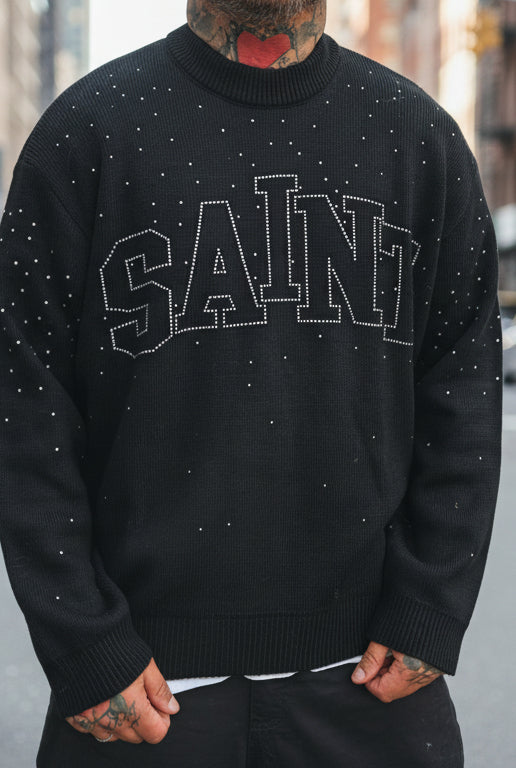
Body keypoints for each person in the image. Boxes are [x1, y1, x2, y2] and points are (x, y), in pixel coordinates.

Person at [0, 0, 503, 765]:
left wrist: (430, 610)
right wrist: (83, 645)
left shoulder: (420, 137)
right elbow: (24, 409)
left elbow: (463, 393)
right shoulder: (86, 133)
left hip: (373, 688)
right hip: (139, 694)